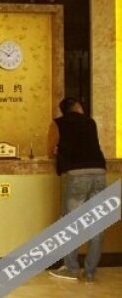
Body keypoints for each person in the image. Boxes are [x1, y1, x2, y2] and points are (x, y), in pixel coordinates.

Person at [47, 97, 106, 284]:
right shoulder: (90, 122)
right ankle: (90, 273)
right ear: (78, 107)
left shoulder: (58, 123)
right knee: (97, 223)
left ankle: (72, 269)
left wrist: (57, 151)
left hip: (76, 174)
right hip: (99, 172)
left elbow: (49, 150)